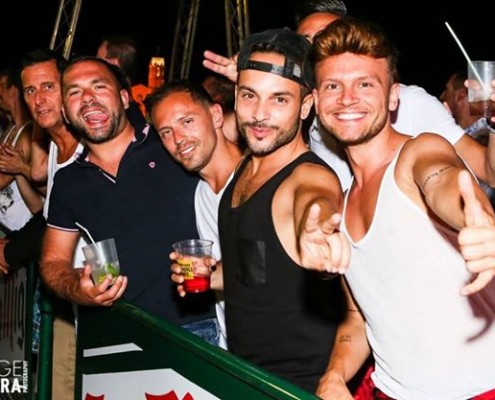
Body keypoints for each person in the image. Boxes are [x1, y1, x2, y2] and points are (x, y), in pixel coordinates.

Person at [299, 16, 495, 399]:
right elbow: (359, 319)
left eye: (365, 84)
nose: (347, 98)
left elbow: (441, 180)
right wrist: (335, 374)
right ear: (317, 101)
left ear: (392, 97)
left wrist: (479, 223)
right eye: (333, 86)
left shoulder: (418, 152)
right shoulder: (340, 204)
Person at [202, 0, 495, 192]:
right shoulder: (309, 120)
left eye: (328, 37)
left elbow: (483, 170)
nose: (316, 51)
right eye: (306, 43)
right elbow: (224, 142)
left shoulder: (409, 103)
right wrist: (256, 83)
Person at [40, 56, 218, 344]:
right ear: (65, 113)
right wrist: (77, 288)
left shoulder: (171, 143)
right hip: (119, 333)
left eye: (99, 87)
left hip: (193, 329)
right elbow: (53, 261)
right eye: (74, 92)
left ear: (125, 98)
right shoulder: (68, 181)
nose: (87, 98)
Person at [211, 28, 349, 393]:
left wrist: (319, 229)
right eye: (249, 95)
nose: (260, 114)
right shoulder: (249, 165)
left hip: (297, 388)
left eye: (279, 100)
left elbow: (316, 200)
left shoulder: (308, 177)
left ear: (305, 106)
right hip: (245, 377)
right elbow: (256, 268)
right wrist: (203, 274)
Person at [144, 79, 244, 349]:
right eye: (166, 132)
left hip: (280, 356)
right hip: (231, 350)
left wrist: (213, 274)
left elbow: (269, 266)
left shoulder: (257, 181)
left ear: (216, 116)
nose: (178, 139)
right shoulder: (199, 192)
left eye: (187, 121)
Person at [440, 68, 495, 207]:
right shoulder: (460, 133)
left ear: (460, 95)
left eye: (447, 89)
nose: (442, 96)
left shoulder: (487, 134)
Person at [96, 33, 150, 123]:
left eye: (98, 59)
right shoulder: (134, 113)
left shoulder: (116, 112)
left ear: (113, 63)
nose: (94, 63)